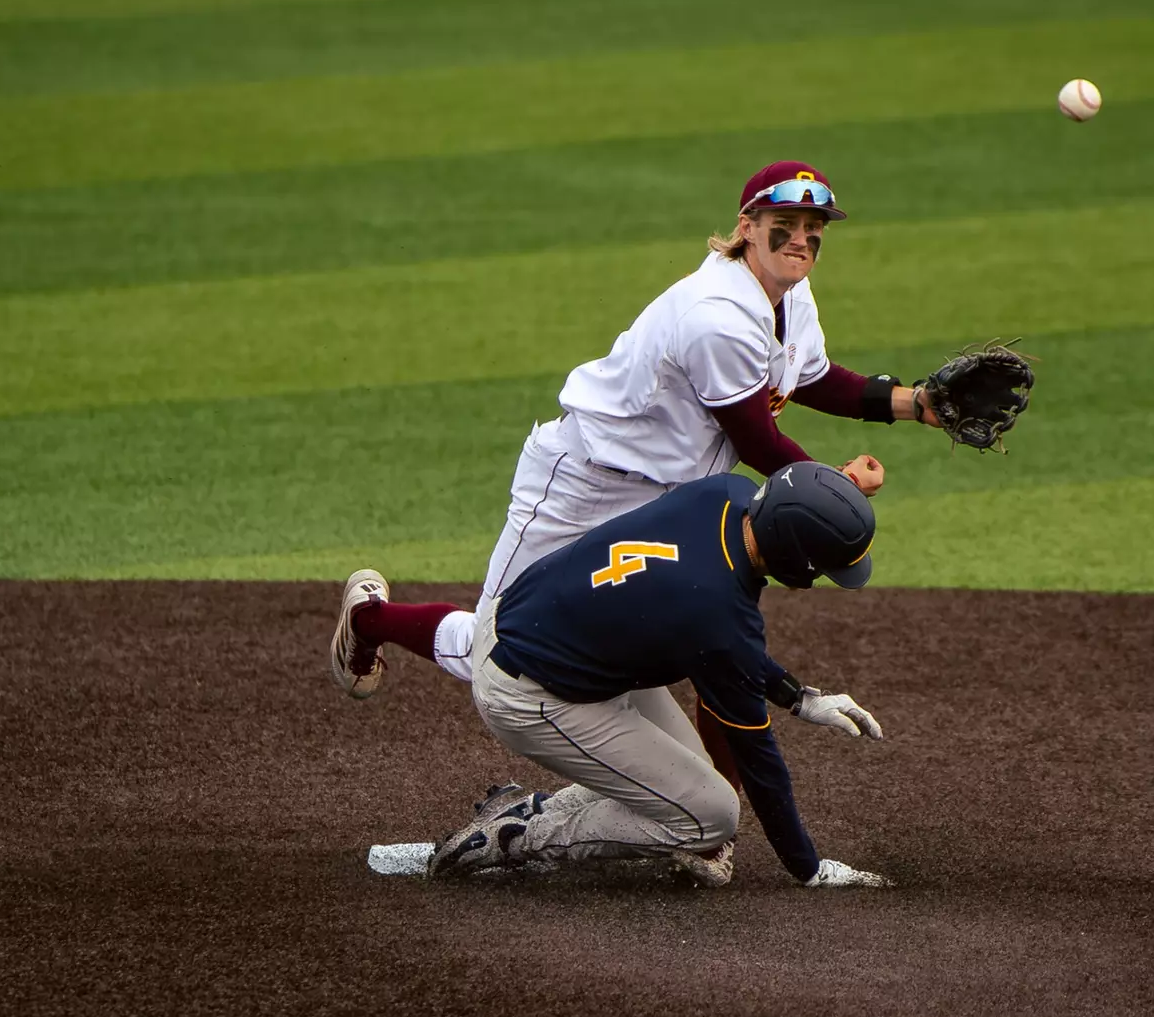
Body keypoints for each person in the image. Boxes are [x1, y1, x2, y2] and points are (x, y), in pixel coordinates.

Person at [330, 160, 948, 700]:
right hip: (586, 485)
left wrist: (912, 402)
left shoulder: (793, 295)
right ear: (747, 226)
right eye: (786, 222)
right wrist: (829, 488)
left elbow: (809, 376)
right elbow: (757, 440)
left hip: (667, 503)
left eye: (815, 227)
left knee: (633, 641)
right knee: (497, 649)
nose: (804, 238)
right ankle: (369, 619)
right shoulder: (718, 316)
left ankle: (656, 793)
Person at [424, 461, 892, 888]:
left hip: (535, 623)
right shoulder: (716, 612)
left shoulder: (725, 493)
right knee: (710, 816)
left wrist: (800, 698)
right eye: (822, 567)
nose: (821, 577)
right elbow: (760, 762)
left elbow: (733, 652)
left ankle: (532, 808)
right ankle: (516, 838)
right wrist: (809, 869)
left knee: (689, 776)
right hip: (528, 693)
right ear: (792, 555)